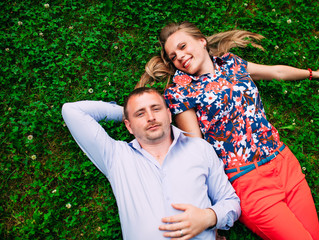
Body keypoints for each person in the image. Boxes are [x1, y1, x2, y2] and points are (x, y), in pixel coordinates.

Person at [138, 21, 319, 240]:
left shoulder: (231, 63)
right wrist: (210, 217)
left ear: (201, 41)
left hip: (284, 162)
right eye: (173, 56)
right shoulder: (180, 90)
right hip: (248, 181)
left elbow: (276, 72)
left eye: (183, 46)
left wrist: (315, 74)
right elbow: (197, 151)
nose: (180, 57)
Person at [61, 87, 240, 240]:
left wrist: (209, 217)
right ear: (129, 126)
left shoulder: (199, 149)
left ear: (169, 115)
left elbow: (231, 202)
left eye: (156, 109)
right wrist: (125, 112)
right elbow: (72, 111)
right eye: (140, 113)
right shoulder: (116, 156)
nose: (150, 117)